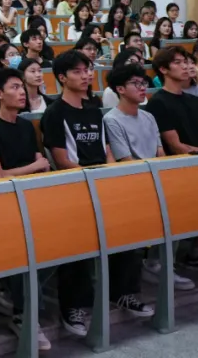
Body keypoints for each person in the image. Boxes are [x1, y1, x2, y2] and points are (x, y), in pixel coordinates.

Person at [41, 51, 154, 336]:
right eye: (78, 71)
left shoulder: (93, 110)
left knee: (127, 231)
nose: (86, 75)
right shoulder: (55, 113)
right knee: (77, 244)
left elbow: (107, 150)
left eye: (88, 70)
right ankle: (72, 307)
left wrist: (111, 177)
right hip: (74, 187)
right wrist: (93, 179)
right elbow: (62, 159)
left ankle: (123, 292)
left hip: (102, 182)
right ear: (62, 77)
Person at [145, 47, 198, 275]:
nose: (186, 66)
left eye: (187, 61)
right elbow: (174, 145)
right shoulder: (158, 102)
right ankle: (160, 262)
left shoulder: (195, 100)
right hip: (174, 169)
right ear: (164, 69)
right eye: (178, 62)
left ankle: (197, 253)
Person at [104, 64, 164, 162]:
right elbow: (126, 160)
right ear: (120, 89)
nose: (143, 88)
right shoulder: (112, 120)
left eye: (143, 83)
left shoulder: (149, 117)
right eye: (136, 83)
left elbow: (160, 154)